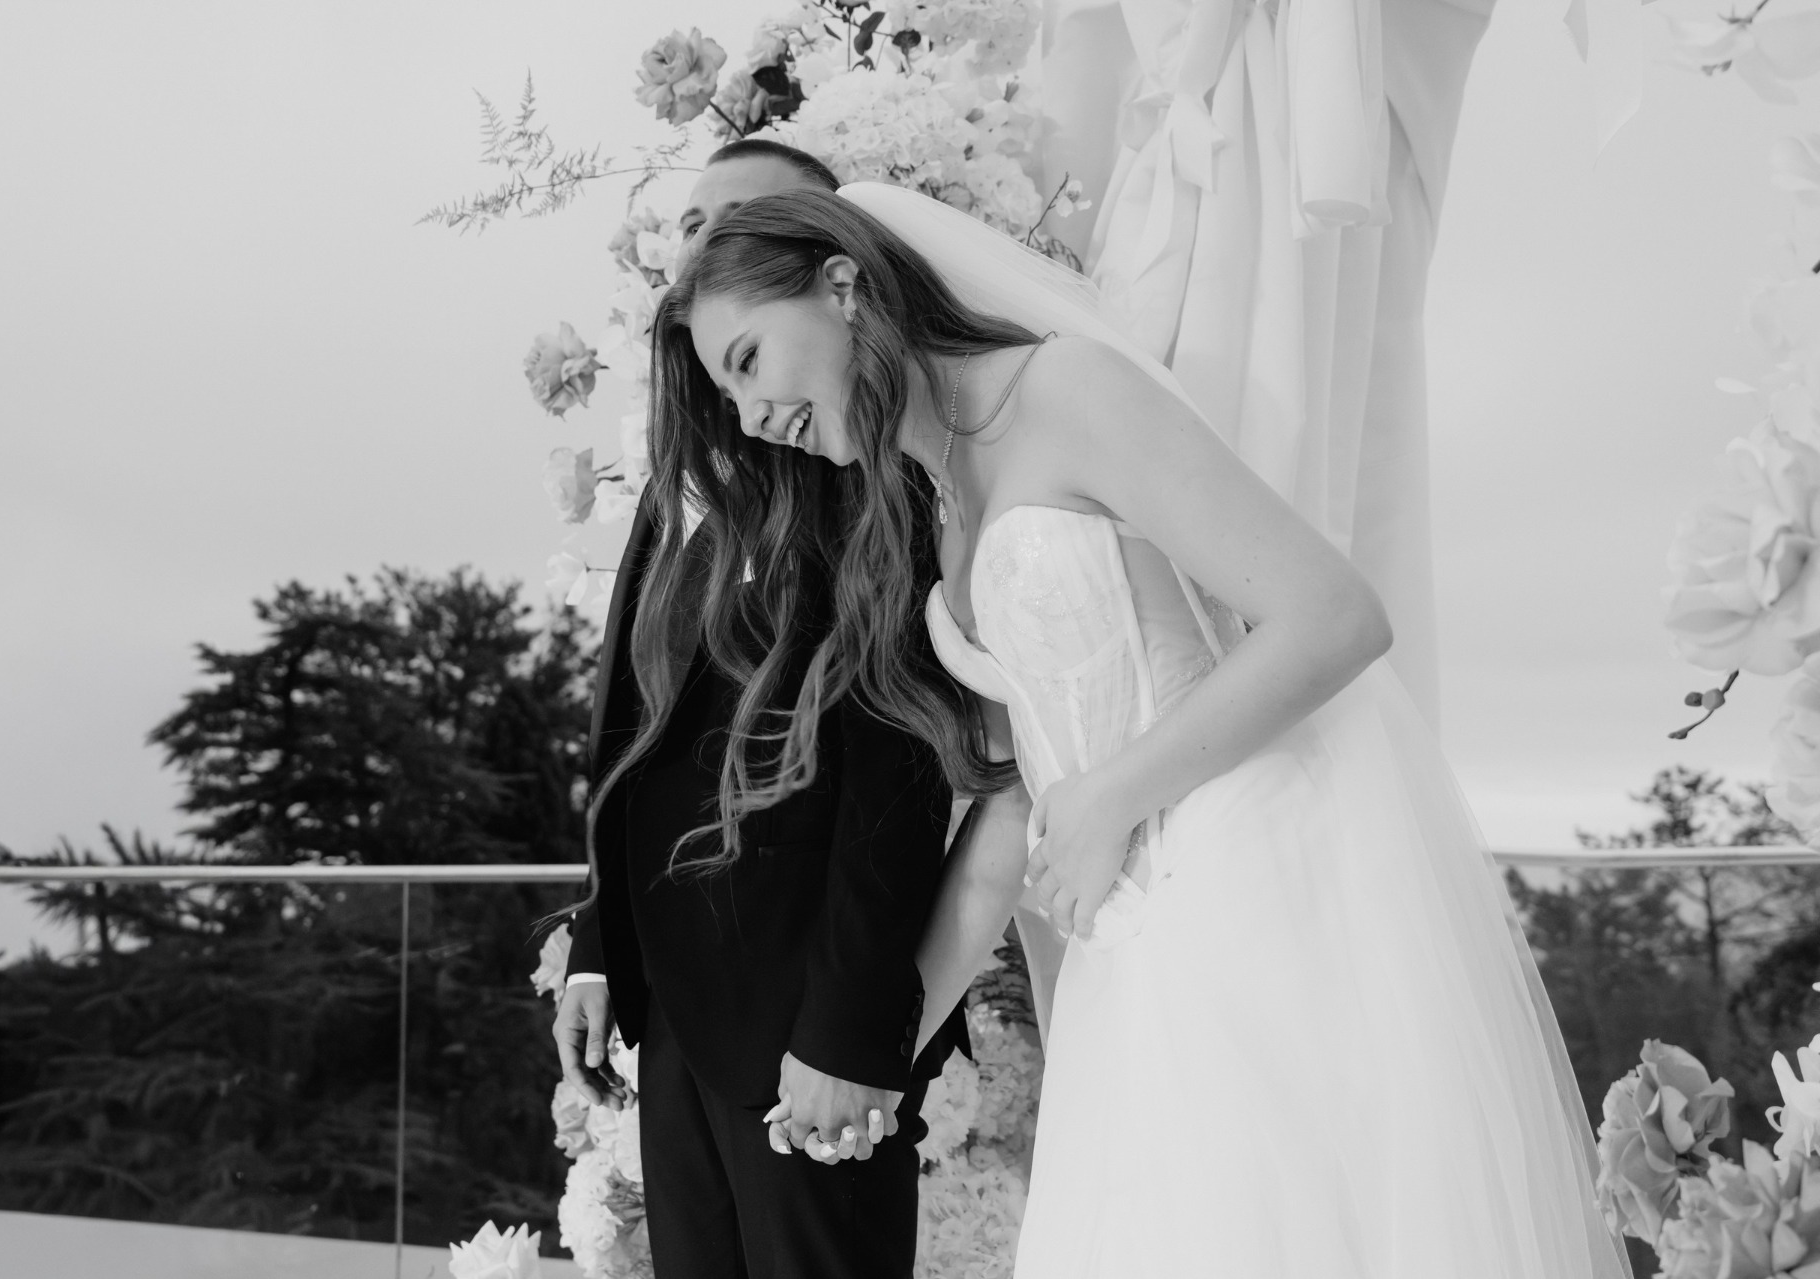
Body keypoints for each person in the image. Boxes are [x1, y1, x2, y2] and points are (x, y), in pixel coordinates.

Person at [654, 183, 1631, 1279]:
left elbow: (1333, 615)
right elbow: (1017, 809)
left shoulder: (1065, 387)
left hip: (1253, 885)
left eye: (746, 361)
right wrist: (874, 1051)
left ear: (840, 285)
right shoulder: (935, 502)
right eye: (727, 395)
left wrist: (1112, 796)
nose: (749, 415)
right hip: (1127, 954)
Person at [551, 140, 971, 1279]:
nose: (700, 249)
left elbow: (901, 767)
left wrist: (849, 1025)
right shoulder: (685, 477)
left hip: (808, 1023)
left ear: (825, 258)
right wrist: (599, 942)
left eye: (733, 225)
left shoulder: (879, 470)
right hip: (677, 1017)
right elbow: (632, 728)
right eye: (692, 226)